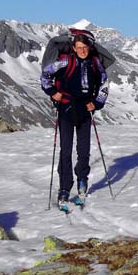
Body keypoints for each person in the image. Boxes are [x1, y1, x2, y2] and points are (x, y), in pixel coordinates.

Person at [40, 31, 109, 211]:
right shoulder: (65, 61)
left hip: (85, 110)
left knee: (84, 150)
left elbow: (104, 84)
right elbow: (45, 76)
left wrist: (96, 103)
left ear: (89, 47)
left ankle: (82, 181)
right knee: (66, 151)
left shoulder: (95, 63)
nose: (82, 51)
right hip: (67, 109)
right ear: (74, 48)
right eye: (79, 48)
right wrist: (52, 92)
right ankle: (65, 188)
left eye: (85, 48)